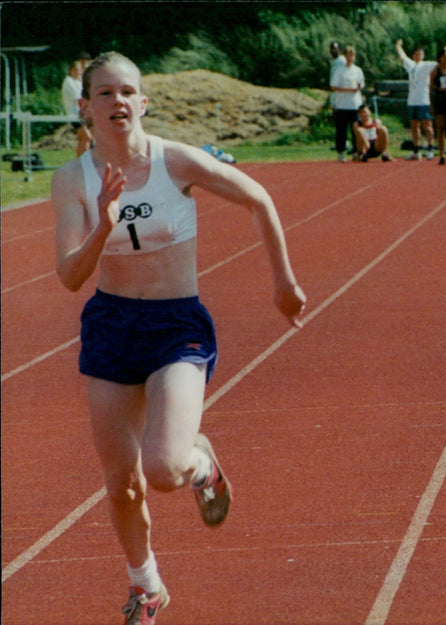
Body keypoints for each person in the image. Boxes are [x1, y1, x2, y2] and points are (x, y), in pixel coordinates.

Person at [51, 52, 307, 625]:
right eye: (104, 93)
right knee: (123, 485)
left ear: (143, 102)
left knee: (164, 469)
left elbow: (258, 198)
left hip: (175, 326)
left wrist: (284, 282)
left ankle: (200, 464)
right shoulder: (72, 179)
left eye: (127, 91)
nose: (118, 101)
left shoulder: (176, 161)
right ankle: (146, 587)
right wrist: (102, 227)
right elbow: (69, 275)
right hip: (112, 327)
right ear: (86, 108)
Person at [395, 39, 437, 160]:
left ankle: (430, 148)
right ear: (413, 56)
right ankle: (416, 150)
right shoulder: (411, 65)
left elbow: (441, 62)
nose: (418, 56)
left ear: (423, 56)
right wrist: (398, 46)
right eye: (416, 54)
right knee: (414, 126)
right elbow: (402, 56)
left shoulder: (427, 65)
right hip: (412, 101)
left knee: (427, 126)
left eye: (420, 54)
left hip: (424, 100)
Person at [330, 45, 365, 162]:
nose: (350, 58)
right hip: (342, 104)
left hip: (355, 104)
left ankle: (356, 151)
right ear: (344, 57)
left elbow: (361, 84)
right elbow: (333, 86)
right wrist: (345, 90)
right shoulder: (340, 70)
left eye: (352, 56)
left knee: (356, 129)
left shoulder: (358, 70)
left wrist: (358, 87)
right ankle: (341, 152)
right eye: (348, 56)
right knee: (341, 130)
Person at [61, 58, 93, 155]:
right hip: (75, 115)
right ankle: (83, 161)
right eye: (76, 70)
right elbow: (78, 98)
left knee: (85, 138)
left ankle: (84, 160)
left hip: (82, 114)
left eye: (79, 70)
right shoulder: (69, 82)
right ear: (71, 70)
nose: (78, 72)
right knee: (86, 137)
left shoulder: (78, 82)